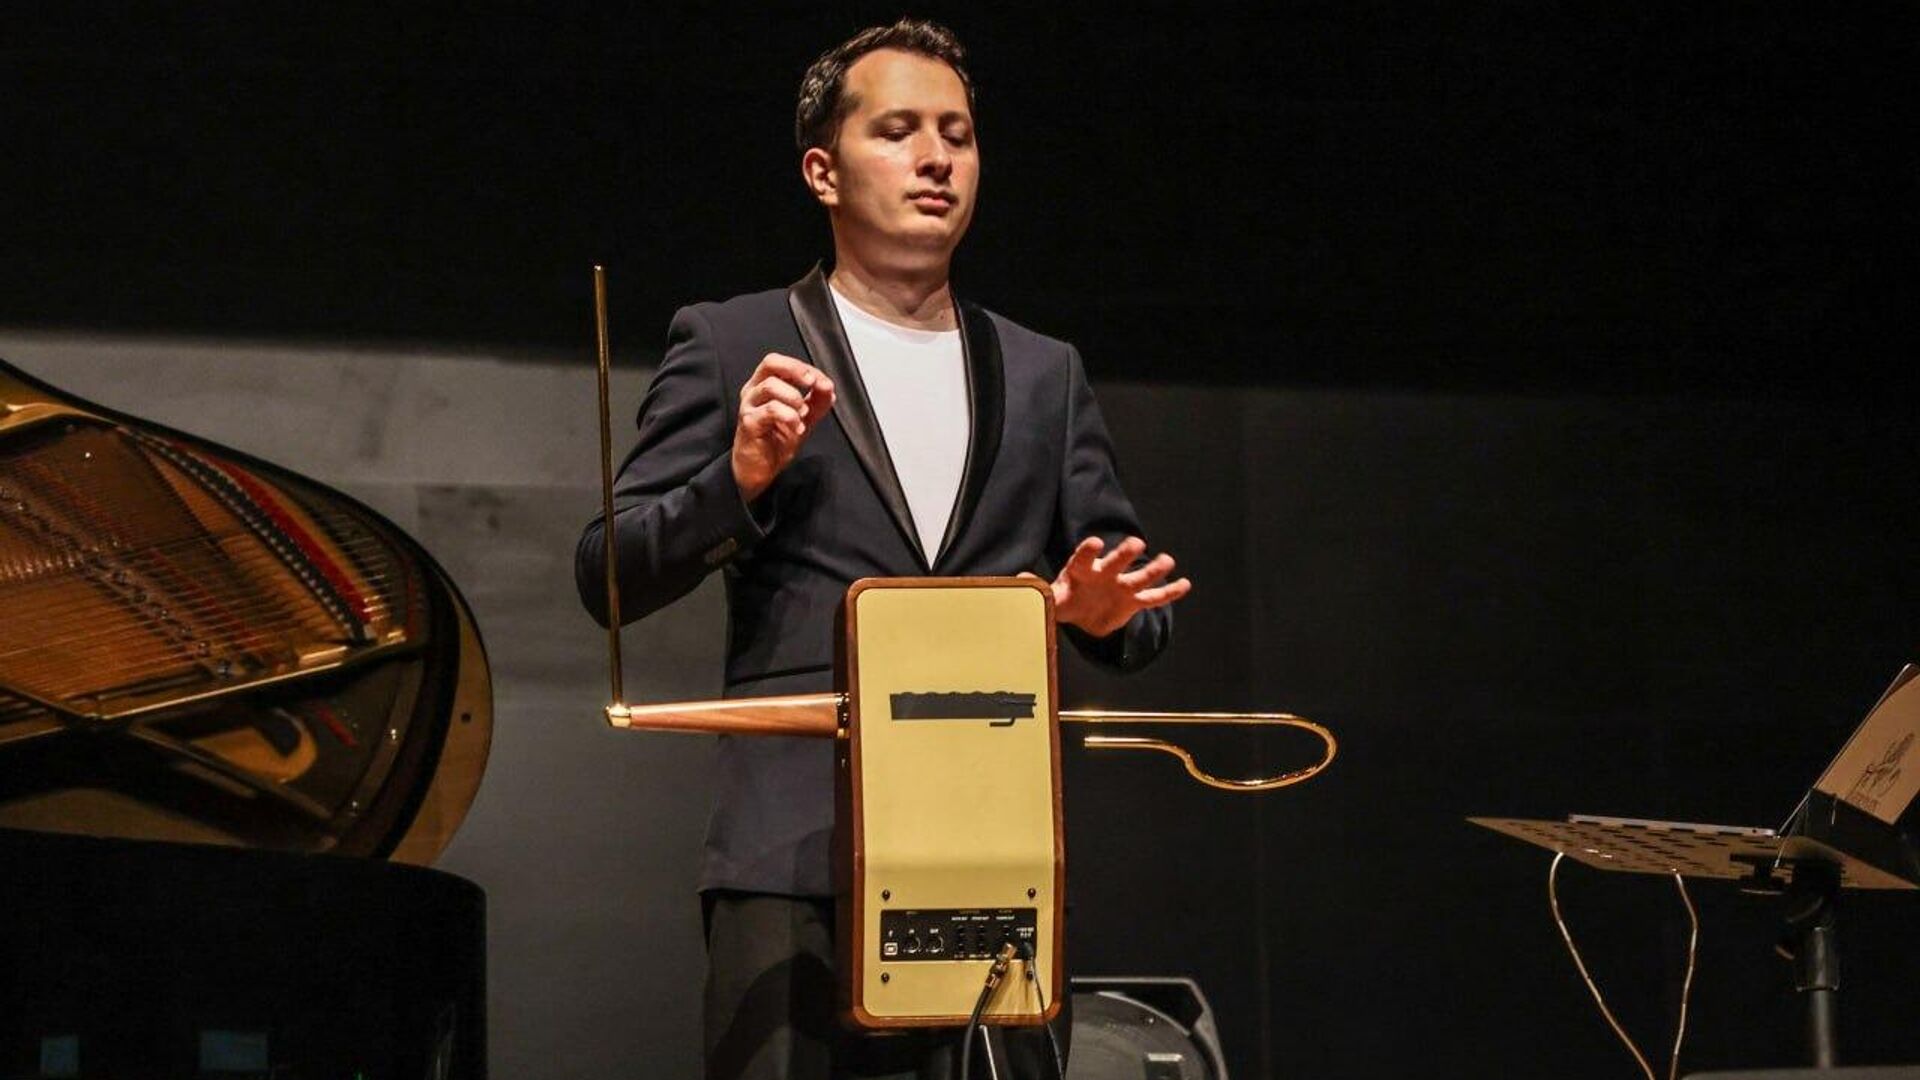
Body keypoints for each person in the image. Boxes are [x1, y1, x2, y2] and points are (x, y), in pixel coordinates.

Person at [576, 18, 1189, 1079]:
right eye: (898, 131)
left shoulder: (1043, 373)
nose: (935, 158)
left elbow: (1136, 603)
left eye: (957, 133)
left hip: (990, 848)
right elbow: (609, 575)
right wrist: (739, 481)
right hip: (794, 859)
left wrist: (1106, 613)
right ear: (824, 171)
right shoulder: (732, 341)